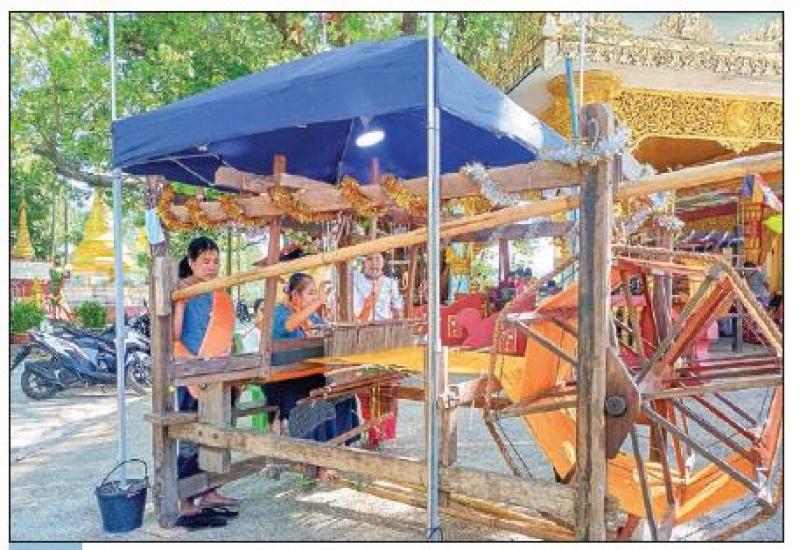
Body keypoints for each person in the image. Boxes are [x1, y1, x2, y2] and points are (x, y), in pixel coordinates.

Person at [263, 272, 359, 479]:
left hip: (308, 374)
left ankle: (337, 448)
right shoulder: (279, 313)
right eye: (311, 293)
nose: (314, 297)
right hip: (283, 380)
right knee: (315, 403)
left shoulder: (311, 316)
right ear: (295, 296)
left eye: (316, 293)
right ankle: (318, 462)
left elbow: (326, 328)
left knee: (343, 394)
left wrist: (331, 327)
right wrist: (318, 302)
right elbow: (289, 326)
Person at [172, 236, 239, 528]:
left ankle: (210, 491)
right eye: (205, 261)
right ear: (191, 263)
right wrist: (179, 303)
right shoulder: (183, 292)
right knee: (191, 435)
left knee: (219, 430)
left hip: (218, 370)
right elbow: (173, 336)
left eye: (215, 261)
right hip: (192, 371)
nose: (211, 267)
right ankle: (185, 501)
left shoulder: (219, 293)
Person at [353, 252, 403, 322]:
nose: (373, 263)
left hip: (383, 325)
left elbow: (397, 309)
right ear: (365, 262)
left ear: (383, 262)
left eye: (377, 259)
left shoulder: (391, 283)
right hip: (358, 325)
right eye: (370, 259)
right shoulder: (354, 278)